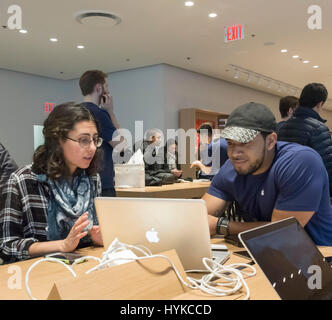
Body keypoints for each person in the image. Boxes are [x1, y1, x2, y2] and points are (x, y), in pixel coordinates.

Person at [203, 102, 332, 246]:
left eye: (245, 143)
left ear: (270, 141)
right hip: (261, 251)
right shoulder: (232, 167)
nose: (234, 153)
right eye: (230, 143)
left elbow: (282, 232)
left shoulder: (301, 161)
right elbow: (199, 216)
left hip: (319, 254)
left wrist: (221, 225)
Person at [0, 103, 104, 263]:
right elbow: (7, 246)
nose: (91, 148)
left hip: (83, 270)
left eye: (95, 140)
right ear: (58, 140)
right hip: (37, 277)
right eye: (84, 140)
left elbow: (84, 238)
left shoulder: (92, 179)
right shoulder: (22, 180)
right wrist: (62, 245)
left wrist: (95, 236)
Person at [277, 83, 332, 196]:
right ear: (320, 104)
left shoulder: (283, 127)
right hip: (309, 191)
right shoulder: (319, 128)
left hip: (283, 187)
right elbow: (326, 166)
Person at [80, 70, 122, 197]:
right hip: (103, 183)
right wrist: (111, 112)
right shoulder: (100, 114)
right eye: (106, 86)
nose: (108, 91)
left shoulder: (76, 112)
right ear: (99, 88)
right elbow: (121, 145)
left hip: (81, 182)